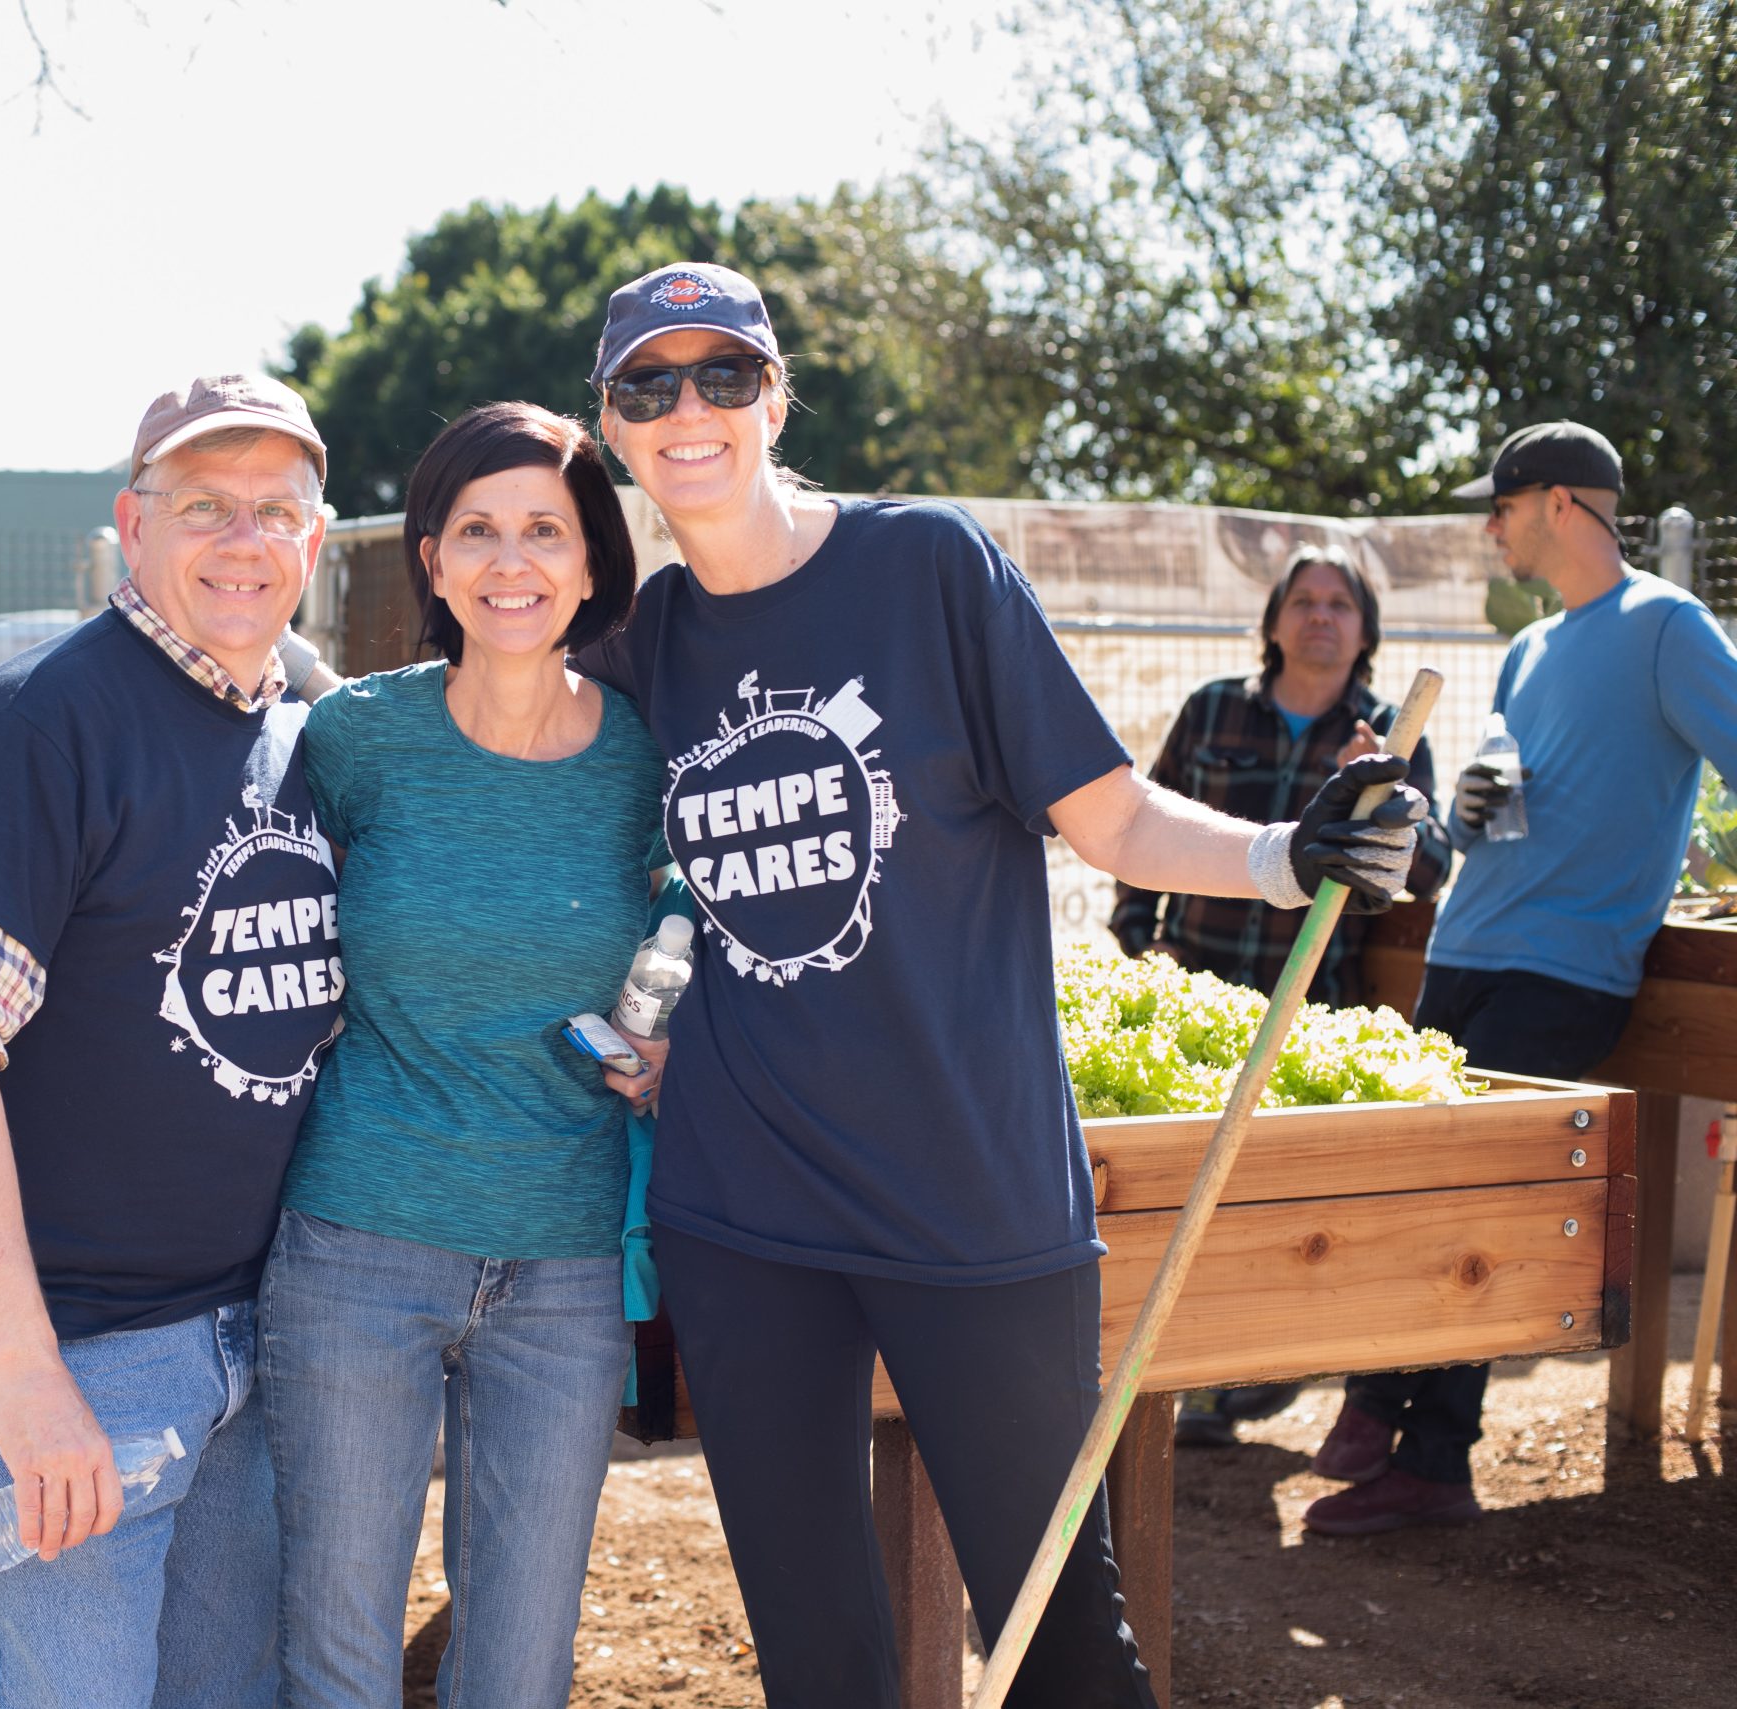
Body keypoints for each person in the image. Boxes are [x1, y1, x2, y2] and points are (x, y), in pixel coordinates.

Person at [568, 261, 1428, 1708]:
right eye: (648, 386)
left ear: (775, 398)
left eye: (723, 375)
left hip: (970, 1196)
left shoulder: (927, 568)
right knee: (814, 1646)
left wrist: (1292, 852)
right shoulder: (647, 645)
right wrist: (633, 1024)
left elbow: (1112, 818)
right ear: (615, 427)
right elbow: (564, 842)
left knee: (1060, 1645)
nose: (688, 410)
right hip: (742, 1210)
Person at [0, 373, 343, 1709]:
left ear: (314, 542)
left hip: (236, 1342)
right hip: (68, 1360)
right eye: (204, 507)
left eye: (276, 512)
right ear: (132, 527)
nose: (242, 540)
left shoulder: (293, 733)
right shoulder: (34, 732)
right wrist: (21, 1371)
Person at [257, 401, 667, 1709]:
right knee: (338, 1646)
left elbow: (699, 946)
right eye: (476, 531)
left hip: (565, 1266)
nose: (511, 562)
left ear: (594, 561)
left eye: (544, 531)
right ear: (429, 561)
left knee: (523, 1660)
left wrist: (674, 1055)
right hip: (357, 1247)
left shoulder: (647, 761)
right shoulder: (356, 742)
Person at [1303, 420, 1737, 1536]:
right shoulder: (1530, 647)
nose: (1486, 528)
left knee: (1474, 1195)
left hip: (1566, 966)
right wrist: (1465, 807)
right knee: (1412, 1176)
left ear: (1556, 503)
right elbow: (1489, 811)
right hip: (1464, 948)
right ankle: (1373, 1404)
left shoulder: (1666, 626)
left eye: (1496, 507)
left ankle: (1434, 1459)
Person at [1108, 544, 1453, 1448]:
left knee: (1269, 1203)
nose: (1321, 616)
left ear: (1366, 630)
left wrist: (1392, 788)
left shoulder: (1390, 733)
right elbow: (1141, 820)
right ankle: (1166, 1371)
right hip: (1197, 991)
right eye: (1304, 599)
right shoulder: (1214, 707)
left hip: (1308, 1002)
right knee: (1175, 1185)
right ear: (1273, 621)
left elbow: (1433, 867)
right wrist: (1140, 943)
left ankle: (1242, 1371)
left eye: (1341, 603)